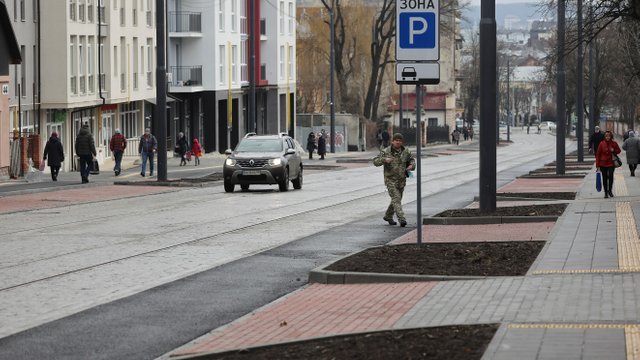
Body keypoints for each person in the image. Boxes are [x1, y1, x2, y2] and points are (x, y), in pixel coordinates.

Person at [373, 133, 416, 227]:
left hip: (401, 180)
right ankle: (402, 219)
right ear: (392, 141)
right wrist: (384, 160)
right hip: (390, 180)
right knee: (396, 199)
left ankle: (388, 216)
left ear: (402, 142)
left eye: (400, 140)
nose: (398, 142)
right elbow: (375, 161)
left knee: (396, 199)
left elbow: (412, 160)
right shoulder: (386, 151)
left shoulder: (406, 151)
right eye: (396, 140)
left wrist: (411, 166)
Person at [596, 130, 621, 198]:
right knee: (604, 178)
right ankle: (606, 192)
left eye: (609, 136)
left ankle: (610, 191)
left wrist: (614, 150)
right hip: (602, 163)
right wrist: (597, 165)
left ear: (611, 136)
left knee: (610, 177)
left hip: (611, 163)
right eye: (606, 136)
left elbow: (619, 151)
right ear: (604, 136)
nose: (607, 137)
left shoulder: (614, 143)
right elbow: (598, 154)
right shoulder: (601, 143)